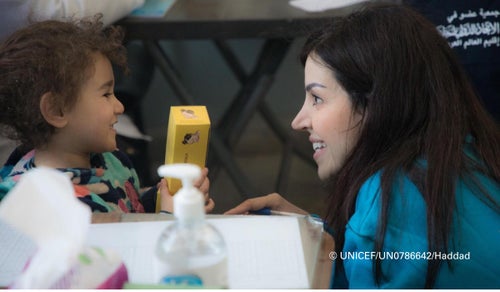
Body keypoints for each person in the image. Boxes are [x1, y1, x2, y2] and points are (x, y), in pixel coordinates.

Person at [225, 3, 500, 289]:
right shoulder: (465, 151)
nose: (298, 121)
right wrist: (317, 236)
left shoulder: (389, 203)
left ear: (374, 103)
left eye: (317, 99)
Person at [0, 16, 214, 214]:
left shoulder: (106, 159)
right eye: (106, 94)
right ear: (57, 110)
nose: (120, 106)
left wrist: (161, 198)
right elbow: (122, 250)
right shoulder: (51, 206)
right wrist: (170, 217)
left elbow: (128, 208)